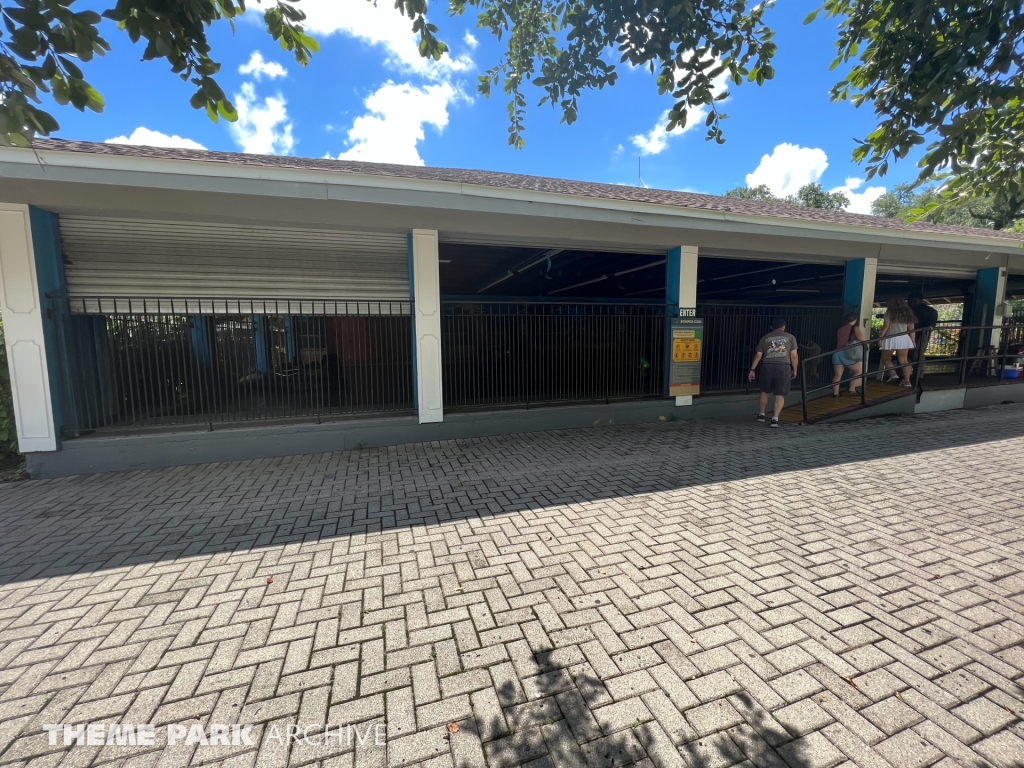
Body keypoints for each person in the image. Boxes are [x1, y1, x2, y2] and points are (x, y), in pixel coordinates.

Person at [748, 317, 799, 428]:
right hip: (783, 367)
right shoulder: (790, 337)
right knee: (780, 394)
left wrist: (752, 370)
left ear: (771, 327)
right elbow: (794, 356)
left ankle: (761, 415)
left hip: (768, 367)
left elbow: (758, 355)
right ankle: (775, 419)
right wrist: (795, 369)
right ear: (784, 327)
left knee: (764, 391)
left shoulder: (765, 338)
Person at [878, 297, 917, 387]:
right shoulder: (908, 314)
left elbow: (886, 326)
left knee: (886, 358)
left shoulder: (889, 313)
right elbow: (912, 329)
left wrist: (880, 338)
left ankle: (893, 373)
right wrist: (913, 341)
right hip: (903, 338)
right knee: (904, 360)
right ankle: (906, 381)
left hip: (891, 337)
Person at [832, 312, 866, 396]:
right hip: (847, 353)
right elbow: (862, 339)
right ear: (856, 320)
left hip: (836, 353)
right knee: (859, 371)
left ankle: (835, 393)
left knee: (837, 375)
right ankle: (852, 389)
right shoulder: (855, 328)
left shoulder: (840, 329)